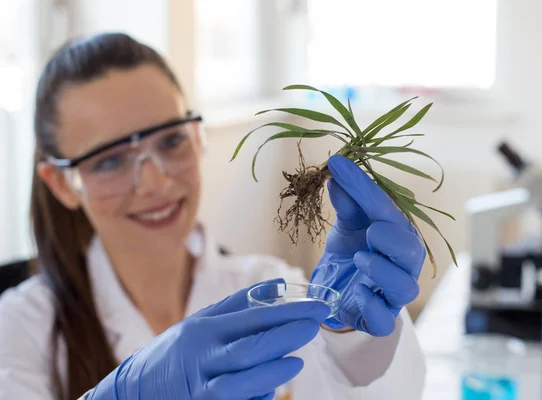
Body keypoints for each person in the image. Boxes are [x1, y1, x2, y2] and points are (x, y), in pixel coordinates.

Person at [0, 33, 427, 400]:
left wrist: (351, 340)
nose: (155, 183)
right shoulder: (20, 327)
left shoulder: (266, 286)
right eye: (109, 161)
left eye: (170, 141)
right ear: (60, 184)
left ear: (197, 137)